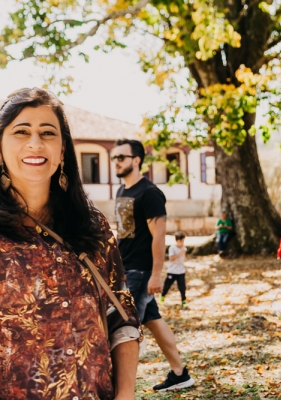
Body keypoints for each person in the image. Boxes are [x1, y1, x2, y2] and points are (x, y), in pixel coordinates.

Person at [0, 88, 141, 400]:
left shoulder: (93, 224)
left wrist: (125, 394)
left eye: (47, 132)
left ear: (63, 149)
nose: (35, 143)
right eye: (22, 131)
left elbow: (122, 314)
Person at [112, 139, 195, 392]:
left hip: (141, 270)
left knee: (125, 327)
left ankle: (120, 390)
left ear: (136, 160)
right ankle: (180, 374)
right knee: (153, 320)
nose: (117, 161)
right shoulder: (122, 191)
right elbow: (124, 232)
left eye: (122, 157)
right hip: (126, 268)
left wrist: (156, 274)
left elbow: (159, 235)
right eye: (115, 157)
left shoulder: (149, 193)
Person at [160, 232, 188, 308]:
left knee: (182, 287)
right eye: (180, 241)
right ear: (177, 240)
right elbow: (171, 258)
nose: (182, 242)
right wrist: (180, 253)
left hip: (181, 271)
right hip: (172, 271)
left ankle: (183, 300)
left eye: (183, 241)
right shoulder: (172, 248)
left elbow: (184, 259)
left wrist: (184, 254)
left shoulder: (184, 247)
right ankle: (162, 296)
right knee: (167, 285)